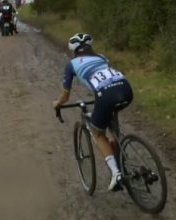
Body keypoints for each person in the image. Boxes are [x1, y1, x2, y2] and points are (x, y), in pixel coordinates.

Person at [52, 33, 134, 191]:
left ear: (74, 51)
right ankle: (118, 149)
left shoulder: (71, 64)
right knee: (110, 124)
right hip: (125, 90)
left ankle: (116, 174)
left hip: (106, 96)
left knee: (97, 133)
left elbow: (65, 96)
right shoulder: (102, 58)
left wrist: (57, 103)